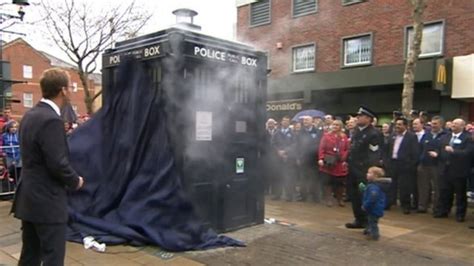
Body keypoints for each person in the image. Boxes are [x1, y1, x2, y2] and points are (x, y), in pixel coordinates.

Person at [11, 68, 85, 266]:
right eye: (69, 87)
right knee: (53, 257)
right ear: (62, 90)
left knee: (29, 256)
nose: (70, 91)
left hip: (28, 198)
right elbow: (58, 163)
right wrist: (75, 181)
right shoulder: (51, 120)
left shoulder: (29, 116)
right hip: (48, 202)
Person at [345, 106, 382, 229]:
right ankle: (358, 219)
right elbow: (352, 148)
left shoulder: (373, 133)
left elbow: (374, 153)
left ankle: (368, 222)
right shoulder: (356, 131)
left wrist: (371, 171)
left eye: (360, 116)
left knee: (365, 196)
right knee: (354, 196)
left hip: (363, 170)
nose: (357, 118)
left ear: (368, 118)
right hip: (352, 169)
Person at [434, 118, 473, 222]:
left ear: (462, 126)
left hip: (459, 171)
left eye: (456, 124)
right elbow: (440, 149)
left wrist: (454, 151)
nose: (453, 125)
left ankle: (460, 214)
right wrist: (437, 154)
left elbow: (467, 153)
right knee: (445, 192)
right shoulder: (445, 137)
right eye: (453, 123)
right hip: (445, 170)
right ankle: (444, 211)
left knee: (460, 194)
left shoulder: (467, 138)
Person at [387, 117, 419, 214]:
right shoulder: (392, 135)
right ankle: (390, 202)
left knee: (405, 186)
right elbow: (387, 149)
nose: (397, 126)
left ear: (405, 126)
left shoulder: (411, 136)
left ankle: (405, 205)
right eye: (396, 124)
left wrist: (410, 165)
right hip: (393, 163)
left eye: (400, 124)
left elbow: (415, 153)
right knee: (392, 184)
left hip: (405, 165)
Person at [416, 116, 447, 213]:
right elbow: (420, 147)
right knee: (423, 187)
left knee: (437, 187)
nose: (432, 126)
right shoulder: (427, 134)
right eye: (432, 123)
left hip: (437, 165)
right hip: (424, 164)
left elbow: (446, 150)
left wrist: (438, 155)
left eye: (435, 124)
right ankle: (422, 206)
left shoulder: (445, 135)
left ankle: (436, 207)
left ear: (441, 124)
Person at [318, 119, 349, 207]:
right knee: (328, 182)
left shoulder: (344, 137)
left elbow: (347, 148)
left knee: (340, 182)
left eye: (337, 125)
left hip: (339, 162)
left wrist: (344, 157)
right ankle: (329, 199)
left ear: (340, 127)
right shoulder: (326, 136)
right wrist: (321, 158)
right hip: (329, 162)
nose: (335, 126)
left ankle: (340, 199)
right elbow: (321, 148)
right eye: (334, 125)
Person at [296, 116, 323, 202]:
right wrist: (298, 157)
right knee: (303, 177)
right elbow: (298, 145)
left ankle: (315, 196)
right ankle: (302, 196)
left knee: (314, 177)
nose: (305, 121)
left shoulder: (318, 131)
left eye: (307, 120)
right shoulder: (300, 132)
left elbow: (320, 144)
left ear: (312, 121)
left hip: (314, 158)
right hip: (303, 158)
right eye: (304, 120)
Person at [273, 116, 297, 201]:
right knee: (278, 176)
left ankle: (288, 196)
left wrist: (286, 151)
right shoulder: (276, 133)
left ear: (289, 123)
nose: (285, 122)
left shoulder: (293, 133)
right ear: (281, 122)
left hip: (289, 158)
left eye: (287, 121)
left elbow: (294, 144)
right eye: (284, 121)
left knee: (288, 177)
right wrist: (278, 151)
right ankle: (277, 194)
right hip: (278, 158)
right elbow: (273, 143)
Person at [361, 166, 386, 241]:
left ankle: (375, 235)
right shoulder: (373, 185)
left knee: (373, 223)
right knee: (370, 221)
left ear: (375, 176)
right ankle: (369, 231)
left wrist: (365, 205)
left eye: (369, 173)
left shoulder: (373, 187)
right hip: (375, 208)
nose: (367, 174)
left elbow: (372, 198)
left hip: (374, 209)